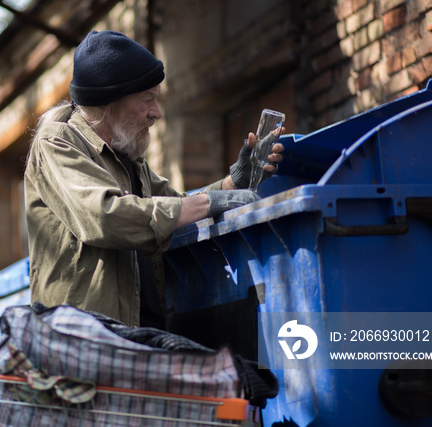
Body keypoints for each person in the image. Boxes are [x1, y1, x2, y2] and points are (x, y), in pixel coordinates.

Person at [24, 30, 284, 329]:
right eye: (147, 100)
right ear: (110, 102)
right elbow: (105, 216)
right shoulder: (57, 143)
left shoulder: (126, 157)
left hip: (139, 334)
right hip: (86, 340)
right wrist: (210, 202)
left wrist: (233, 182)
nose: (156, 113)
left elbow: (177, 207)